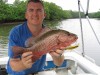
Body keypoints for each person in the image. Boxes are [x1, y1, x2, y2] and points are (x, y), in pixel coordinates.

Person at [6, 0, 64, 75]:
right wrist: (23, 64)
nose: (35, 14)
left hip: (38, 72)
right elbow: (13, 65)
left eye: (39, 10)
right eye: (31, 10)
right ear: (26, 15)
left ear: (44, 15)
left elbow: (59, 63)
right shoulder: (16, 32)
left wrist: (57, 56)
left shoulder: (49, 33)